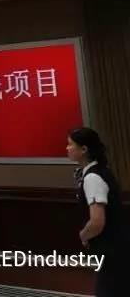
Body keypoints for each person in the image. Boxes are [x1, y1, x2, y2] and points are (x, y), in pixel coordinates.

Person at [67, 127, 126, 296]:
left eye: (70, 144)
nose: (67, 148)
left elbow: (97, 222)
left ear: (84, 149)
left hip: (111, 249)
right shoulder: (102, 170)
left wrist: (84, 235)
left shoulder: (92, 178)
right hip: (118, 246)